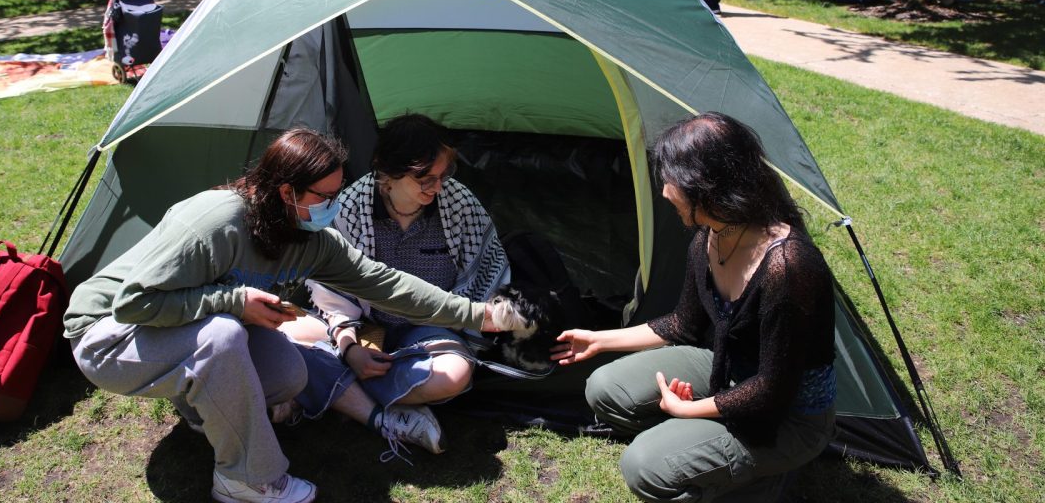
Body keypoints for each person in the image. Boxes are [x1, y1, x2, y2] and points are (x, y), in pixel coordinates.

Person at [64, 127, 514, 503]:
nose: (335, 207)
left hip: (175, 329)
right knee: (222, 336)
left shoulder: (308, 236)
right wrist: (234, 303)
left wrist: (477, 315)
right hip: (109, 335)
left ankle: (207, 414)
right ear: (286, 191)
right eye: (326, 196)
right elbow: (134, 303)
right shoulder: (214, 222)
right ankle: (244, 478)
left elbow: (386, 284)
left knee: (286, 374)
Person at [552, 112, 836, 502]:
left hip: (786, 417)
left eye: (673, 179)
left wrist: (687, 410)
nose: (666, 190)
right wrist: (599, 339)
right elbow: (683, 324)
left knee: (643, 467)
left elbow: (772, 391)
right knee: (604, 387)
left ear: (709, 189)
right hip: (728, 374)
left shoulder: (788, 267)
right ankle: (708, 454)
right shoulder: (711, 237)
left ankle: (766, 476)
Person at [284, 114, 510, 452]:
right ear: (388, 175)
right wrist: (351, 347)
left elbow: (487, 269)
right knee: (285, 333)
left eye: (443, 175)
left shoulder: (458, 203)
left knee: (455, 373)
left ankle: (334, 391)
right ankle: (387, 406)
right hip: (366, 328)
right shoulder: (350, 209)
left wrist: (484, 316)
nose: (437, 187)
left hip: (429, 328)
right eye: (424, 179)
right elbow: (332, 294)